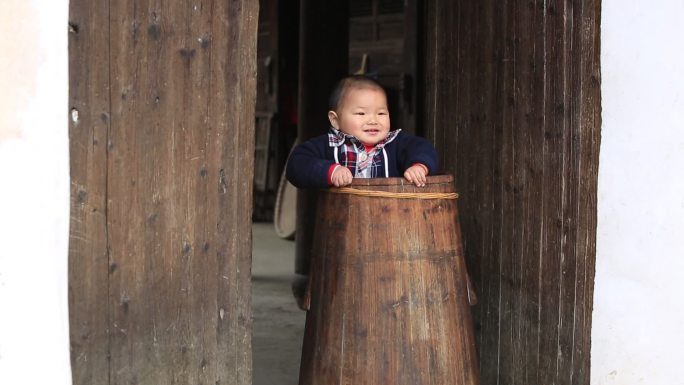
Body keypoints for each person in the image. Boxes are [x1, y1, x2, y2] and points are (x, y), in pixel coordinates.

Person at [286, 75, 438, 189]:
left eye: (381, 113)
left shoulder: (395, 143)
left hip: (390, 220)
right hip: (344, 222)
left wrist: (419, 166)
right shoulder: (329, 145)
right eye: (361, 113)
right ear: (335, 120)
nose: (373, 120)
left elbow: (423, 147)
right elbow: (296, 164)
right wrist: (331, 170)